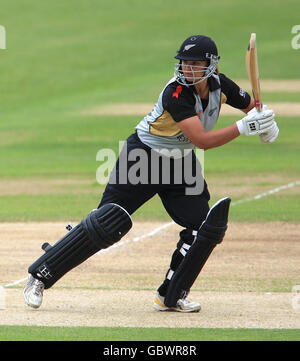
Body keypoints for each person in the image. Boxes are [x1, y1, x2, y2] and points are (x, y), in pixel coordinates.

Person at [24, 35, 279, 312]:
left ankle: (172, 294)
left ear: (211, 65)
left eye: (195, 63)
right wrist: (245, 128)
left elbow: (252, 108)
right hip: (143, 157)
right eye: (184, 63)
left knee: (203, 228)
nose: (187, 69)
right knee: (106, 224)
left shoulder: (221, 85)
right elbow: (202, 141)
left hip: (181, 163)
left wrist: (265, 122)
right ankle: (40, 276)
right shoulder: (177, 93)